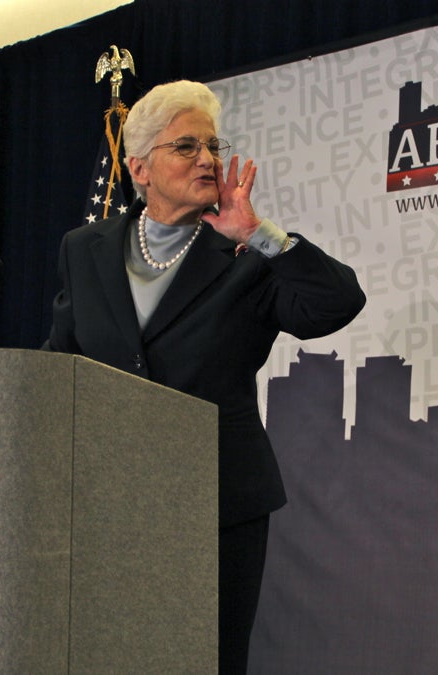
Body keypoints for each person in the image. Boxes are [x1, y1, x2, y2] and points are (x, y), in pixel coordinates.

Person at [43, 79, 366, 671]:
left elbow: (336, 305)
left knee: (206, 660)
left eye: (213, 146)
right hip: (108, 502)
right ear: (139, 168)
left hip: (218, 500)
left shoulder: (245, 256)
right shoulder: (83, 248)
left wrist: (260, 235)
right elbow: (60, 360)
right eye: (186, 146)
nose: (207, 159)